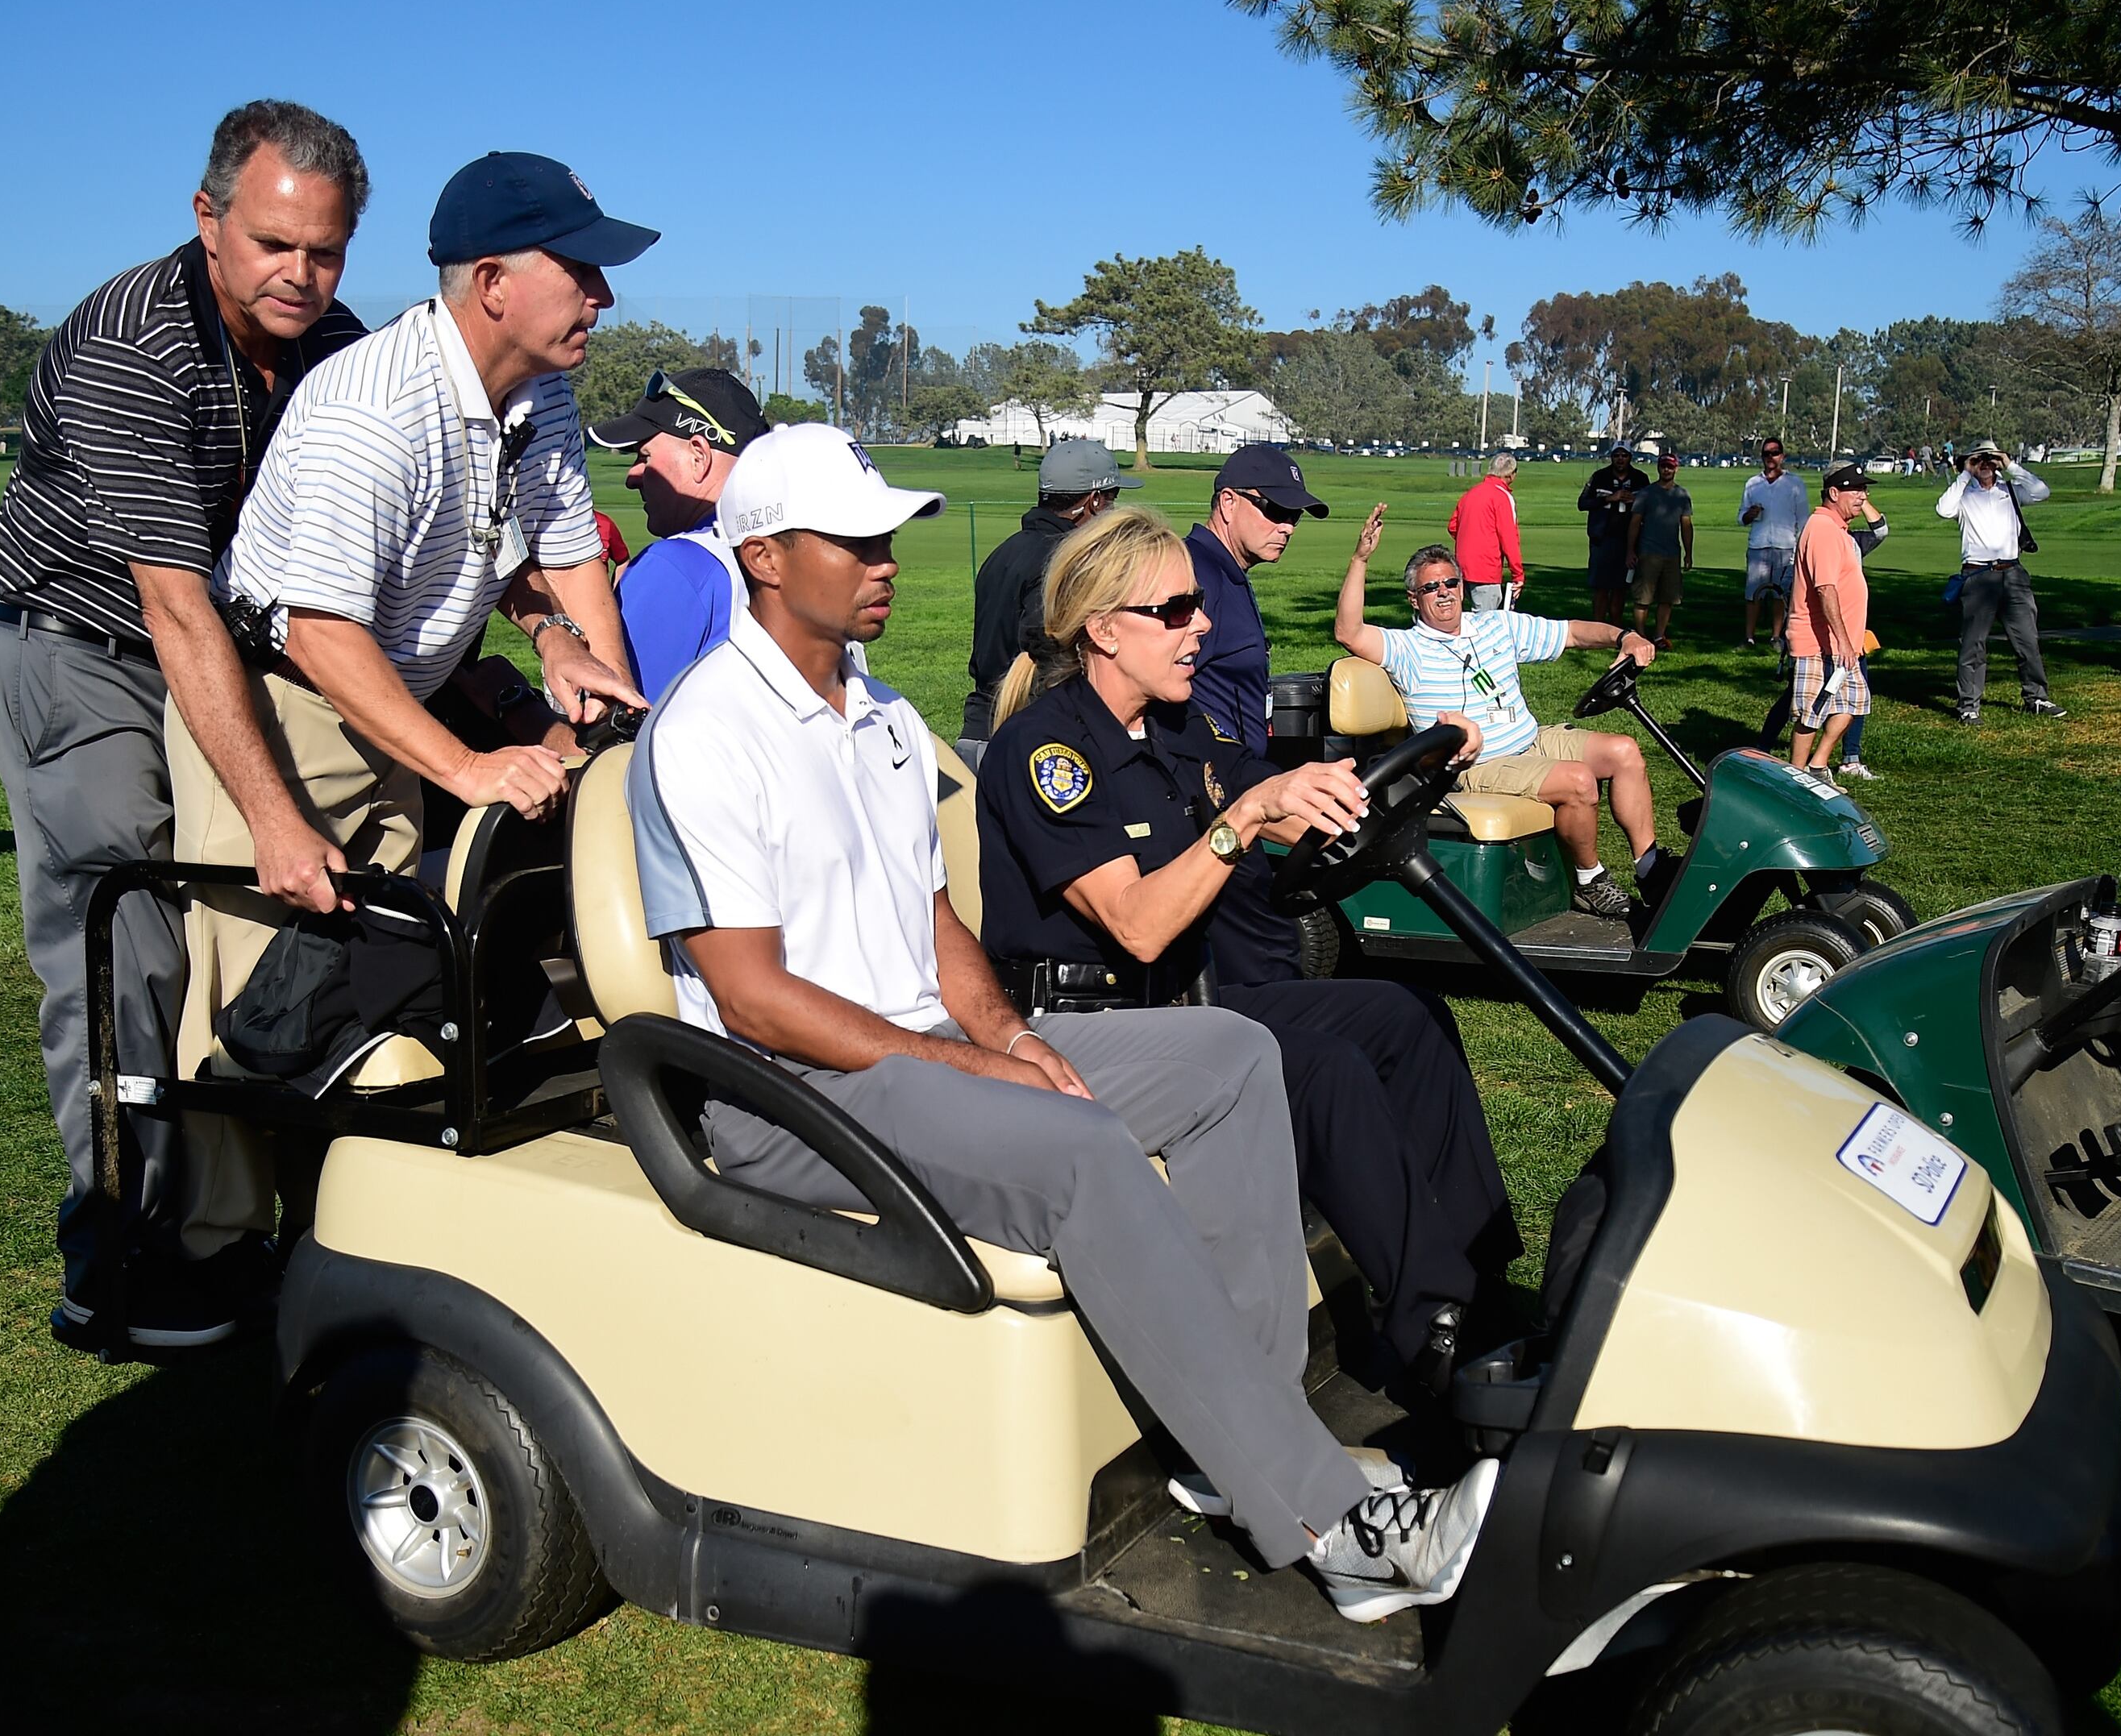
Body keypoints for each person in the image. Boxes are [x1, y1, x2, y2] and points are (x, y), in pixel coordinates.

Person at [629, 422, 1499, 1619]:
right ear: (767, 558)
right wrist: (967, 1062)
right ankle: (1333, 1526)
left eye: (891, 539)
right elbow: (752, 996)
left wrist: (1013, 1039)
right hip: (794, 1090)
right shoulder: (705, 731)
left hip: (909, 1047)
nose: (887, 562)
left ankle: (1243, 1442)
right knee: (1086, 1154)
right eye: (858, 540)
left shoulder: (877, 716)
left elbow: (934, 925)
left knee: (1236, 1057)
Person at [178, 149, 649, 1269]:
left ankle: (350, 1247)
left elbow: (567, 551)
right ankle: (220, 1267)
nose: (605, 295)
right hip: (282, 720)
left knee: (373, 1001)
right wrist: (469, 768)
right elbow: (319, 629)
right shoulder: (372, 406)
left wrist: (599, 707)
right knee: (261, 1016)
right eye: (581, 269)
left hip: (395, 715)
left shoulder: (539, 388)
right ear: (492, 283)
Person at [0, 101, 368, 1352]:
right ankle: (120, 1259)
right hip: (83, 649)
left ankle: (244, 1217)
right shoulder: (131, 343)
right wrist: (274, 817)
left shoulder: (336, 345)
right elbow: (172, 599)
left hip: (217, 650)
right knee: (126, 943)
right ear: (208, 221)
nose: (300, 276)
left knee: (249, 939)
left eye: (325, 251)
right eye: (272, 245)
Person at [977, 507, 1520, 1391]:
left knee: (1405, 1014)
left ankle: (1485, 1282)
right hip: (1087, 1027)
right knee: (1319, 1065)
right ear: (1105, 631)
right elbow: (1140, 923)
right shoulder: (1047, 753)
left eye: (1200, 605)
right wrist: (1240, 824)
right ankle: (1434, 1331)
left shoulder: (1178, 730)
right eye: (1177, 610)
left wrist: (1398, 774)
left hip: (1185, 1006)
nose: (1203, 626)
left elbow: (1272, 793)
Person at [1334, 541, 1660, 920]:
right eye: (1431, 588)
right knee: (1580, 782)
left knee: (1624, 751)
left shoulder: (1495, 625)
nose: (1444, 593)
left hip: (1530, 739)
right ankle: (1590, 880)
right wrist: (1359, 559)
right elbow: (1349, 632)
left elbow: (1570, 633)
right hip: (1478, 763)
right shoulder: (1407, 648)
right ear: (1414, 599)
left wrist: (1625, 637)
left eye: (1451, 583)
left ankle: (1650, 870)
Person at [589, 364, 771, 695]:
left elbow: (621, 730)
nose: (633, 476)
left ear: (699, 457)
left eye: (645, 456)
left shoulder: (675, 566)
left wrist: (509, 700)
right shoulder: (787, 548)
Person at [960, 436, 1139, 755]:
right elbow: (1046, 661)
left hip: (978, 729)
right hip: (1026, 737)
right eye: (1112, 499)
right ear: (1094, 502)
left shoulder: (1003, 552)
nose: (1113, 510)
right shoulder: (1066, 562)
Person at [1185, 442, 1326, 756]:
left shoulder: (1227, 569)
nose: (1288, 527)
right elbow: (1157, 694)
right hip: (1209, 783)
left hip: (1241, 776)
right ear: (1228, 503)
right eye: (1275, 510)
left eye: (1294, 516)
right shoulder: (1196, 575)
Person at [1936, 439, 2063, 725]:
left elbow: (2042, 492)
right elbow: (1943, 509)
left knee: (2027, 639)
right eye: (1979, 460)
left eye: (1990, 460)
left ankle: (2037, 697)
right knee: (1973, 643)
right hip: (1978, 575)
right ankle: (1969, 704)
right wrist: (1965, 473)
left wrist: (2010, 465)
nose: (1985, 465)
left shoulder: (2011, 491)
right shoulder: (1964, 495)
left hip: (2013, 573)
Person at [1784, 466, 1881, 780]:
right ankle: (1796, 775)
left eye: (1864, 490)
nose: (1862, 496)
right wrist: (1841, 640)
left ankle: (1818, 764)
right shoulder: (1823, 529)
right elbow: (1825, 589)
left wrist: (1847, 642)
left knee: (1852, 702)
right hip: (1819, 642)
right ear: (1834, 493)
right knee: (1811, 711)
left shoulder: (1837, 529)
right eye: (1855, 490)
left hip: (1844, 644)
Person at [1738, 438, 1803, 650]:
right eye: (1766, 454)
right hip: (1759, 545)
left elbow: (1802, 519)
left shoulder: (1795, 484)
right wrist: (1750, 514)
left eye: (1775, 453)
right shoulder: (1753, 484)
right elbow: (1741, 518)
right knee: (1753, 594)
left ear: (1782, 456)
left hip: (1785, 546)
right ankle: (1749, 637)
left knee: (1779, 594)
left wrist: (1801, 548)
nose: (1770, 457)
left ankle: (1776, 637)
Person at [1625, 449, 1694, 647]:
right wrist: (1630, 550)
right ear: (1658, 468)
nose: (1666, 470)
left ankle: (1659, 636)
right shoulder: (1647, 493)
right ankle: (1640, 636)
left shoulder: (1682, 495)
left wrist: (1688, 553)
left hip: (1672, 553)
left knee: (1668, 598)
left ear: (1676, 469)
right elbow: (1635, 523)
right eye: (1663, 466)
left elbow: (1686, 525)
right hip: (1648, 552)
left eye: (1670, 467)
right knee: (1643, 598)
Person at [1447, 451, 1528, 611]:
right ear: (1511, 475)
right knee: (1485, 624)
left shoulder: (1469, 494)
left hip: (1462, 568)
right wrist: (1518, 574)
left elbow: (1453, 527)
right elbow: (1509, 539)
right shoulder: (1502, 497)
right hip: (1486, 570)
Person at [1576, 444, 1642, 625]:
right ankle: (1598, 627)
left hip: (1627, 542)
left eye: (1624, 455)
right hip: (1601, 540)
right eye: (1617, 455)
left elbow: (1650, 504)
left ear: (1630, 457)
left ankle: (1615, 629)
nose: (1620, 459)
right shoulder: (1600, 477)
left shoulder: (1640, 478)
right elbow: (1582, 503)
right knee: (1601, 587)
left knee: (1620, 588)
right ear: (1611, 457)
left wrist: (1636, 500)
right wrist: (1608, 498)